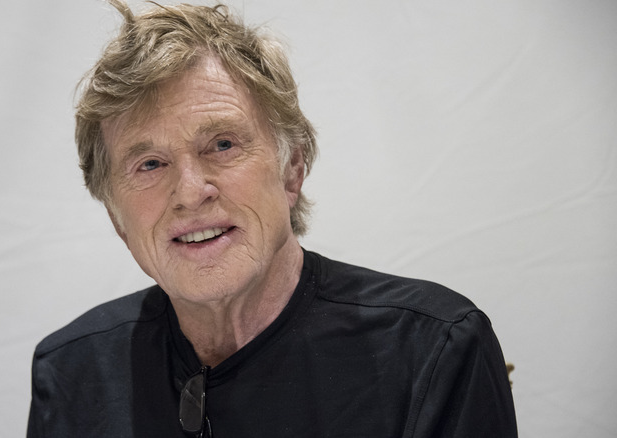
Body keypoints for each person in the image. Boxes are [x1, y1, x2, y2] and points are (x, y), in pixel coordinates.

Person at [27, 1, 517, 437]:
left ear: (292, 170)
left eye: (222, 144)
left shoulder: (433, 349)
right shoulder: (73, 369)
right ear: (116, 215)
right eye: (149, 164)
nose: (191, 192)